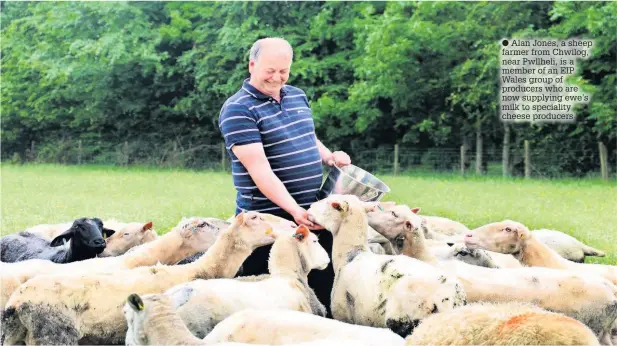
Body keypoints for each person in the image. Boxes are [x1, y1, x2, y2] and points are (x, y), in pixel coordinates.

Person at [218, 37, 351, 317]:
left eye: (283, 71)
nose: (277, 78)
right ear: (252, 64)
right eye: (270, 70)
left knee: (320, 291)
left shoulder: (297, 95)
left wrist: (329, 156)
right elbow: (260, 170)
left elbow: (307, 136)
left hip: (313, 214)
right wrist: (293, 210)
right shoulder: (238, 109)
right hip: (266, 224)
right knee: (271, 302)